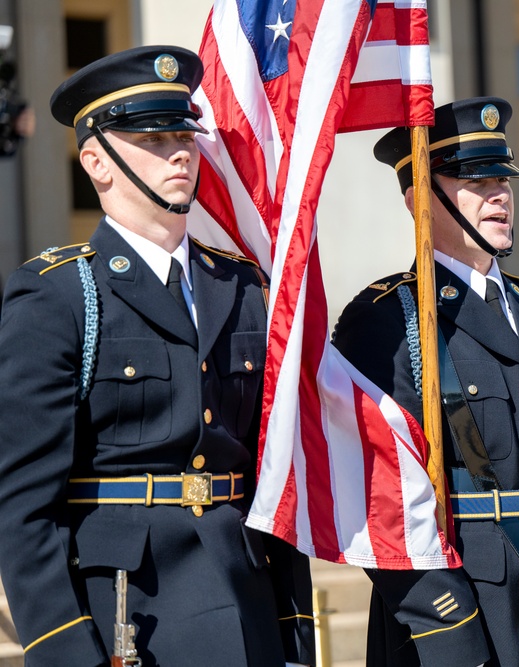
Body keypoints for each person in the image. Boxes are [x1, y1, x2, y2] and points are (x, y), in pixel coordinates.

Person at [0, 45, 314, 666]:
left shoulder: (245, 287)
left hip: (247, 608)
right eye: (153, 136)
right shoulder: (58, 294)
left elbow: (274, 479)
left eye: (185, 135)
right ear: (97, 161)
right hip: (126, 619)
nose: (179, 151)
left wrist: (296, 632)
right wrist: (65, 652)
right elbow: (23, 509)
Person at [332, 97, 519, 666]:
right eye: (473, 178)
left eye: (502, 178)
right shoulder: (388, 321)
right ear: (420, 199)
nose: (499, 194)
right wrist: (448, 632)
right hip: (459, 626)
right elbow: (375, 501)